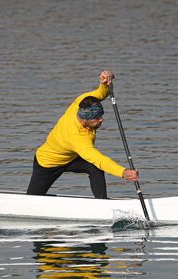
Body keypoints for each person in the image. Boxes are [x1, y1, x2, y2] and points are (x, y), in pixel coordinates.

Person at [26, 70, 139, 199]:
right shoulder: (77, 138)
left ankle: (102, 203)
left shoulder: (80, 103)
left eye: (101, 115)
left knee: (95, 169)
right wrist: (123, 173)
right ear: (86, 120)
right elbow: (100, 159)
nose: (101, 120)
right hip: (47, 164)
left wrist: (104, 83)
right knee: (31, 199)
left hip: (71, 158)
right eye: (97, 118)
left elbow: (100, 94)